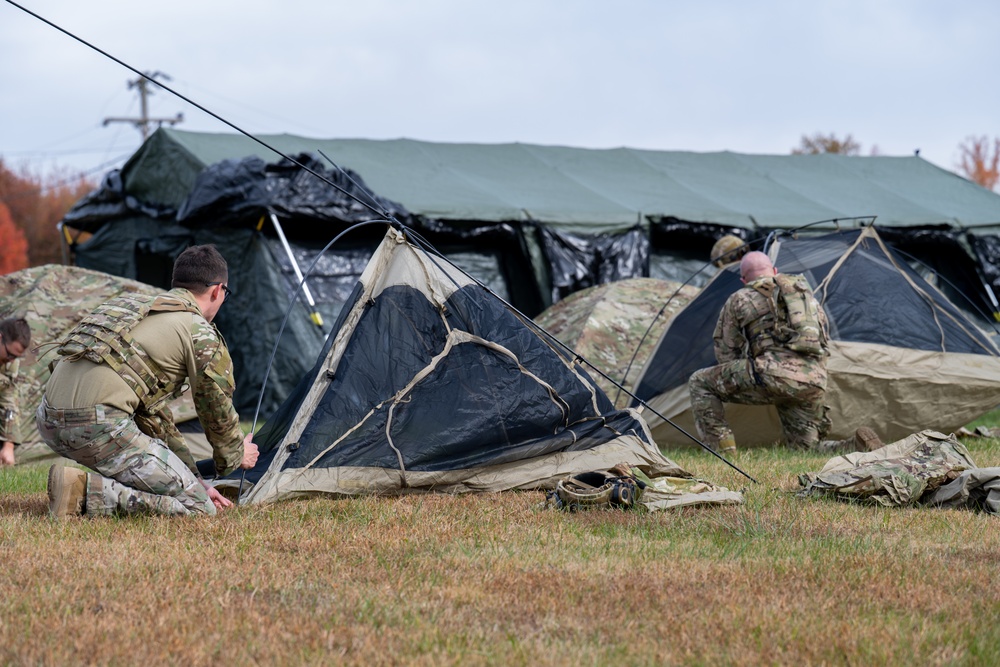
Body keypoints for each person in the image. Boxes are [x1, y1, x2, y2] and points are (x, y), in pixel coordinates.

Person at [39, 244, 259, 518]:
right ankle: (82, 491)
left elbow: (153, 415)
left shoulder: (131, 307)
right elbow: (217, 413)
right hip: (96, 428)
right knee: (200, 508)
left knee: (190, 491)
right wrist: (238, 455)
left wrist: (193, 480)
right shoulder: (200, 334)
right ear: (218, 291)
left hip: (48, 421)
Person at [688, 251, 834, 454]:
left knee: (699, 381)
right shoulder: (805, 298)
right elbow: (824, 340)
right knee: (806, 448)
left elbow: (726, 352)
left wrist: (745, 374)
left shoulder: (740, 298)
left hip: (772, 374)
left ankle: (721, 452)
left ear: (743, 279)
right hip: (813, 380)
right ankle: (855, 446)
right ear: (774, 271)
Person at [0, 317, 31, 467]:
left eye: (17, 357)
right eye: (10, 355)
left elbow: (8, 401)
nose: (12, 361)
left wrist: (8, 445)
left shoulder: (10, 364)